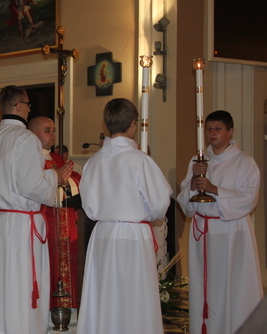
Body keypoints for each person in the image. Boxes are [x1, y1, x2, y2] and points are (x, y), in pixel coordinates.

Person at [0, 85, 72, 334]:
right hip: (20, 225)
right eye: (27, 104)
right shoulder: (25, 138)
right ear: (18, 107)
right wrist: (54, 177)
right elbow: (31, 186)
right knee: (20, 284)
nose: (29, 108)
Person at [77, 98, 172, 334]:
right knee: (134, 298)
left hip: (102, 236)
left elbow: (87, 206)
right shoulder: (140, 160)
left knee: (105, 296)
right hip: (133, 235)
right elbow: (160, 205)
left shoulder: (93, 162)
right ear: (133, 124)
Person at [177, 110, 263, 334]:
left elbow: (249, 199)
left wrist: (214, 189)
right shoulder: (197, 161)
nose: (212, 134)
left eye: (218, 129)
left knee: (230, 287)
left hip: (231, 233)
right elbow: (185, 202)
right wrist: (195, 182)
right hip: (202, 233)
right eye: (208, 129)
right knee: (204, 288)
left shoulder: (245, 162)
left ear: (230, 131)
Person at [28, 116, 81, 317]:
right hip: (45, 222)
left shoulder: (58, 159)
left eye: (54, 130)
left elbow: (75, 181)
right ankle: (44, 313)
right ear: (33, 134)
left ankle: (69, 312)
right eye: (47, 130)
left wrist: (67, 183)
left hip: (65, 221)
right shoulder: (30, 159)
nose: (53, 135)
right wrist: (57, 180)